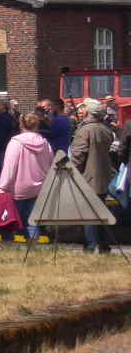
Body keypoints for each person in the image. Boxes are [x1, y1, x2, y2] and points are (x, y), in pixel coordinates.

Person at [0, 112, 53, 244]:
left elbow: (9, 167)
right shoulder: (45, 143)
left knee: (9, 220)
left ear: (21, 124)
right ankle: (32, 248)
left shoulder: (15, 143)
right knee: (32, 221)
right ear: (37, 125)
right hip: (38, 188)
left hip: (17, 188)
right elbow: (50, 164)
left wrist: (3, 188)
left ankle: (8, 248)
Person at [72, 98, 115, 253]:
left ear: (89, 112)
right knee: (101, 212)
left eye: (83, 108)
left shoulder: (85, 130)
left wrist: (71, 172)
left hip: (88, 177)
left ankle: (90, 246)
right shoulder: (105, 129)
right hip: (103, 177)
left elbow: (78, 156)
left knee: (89, 213)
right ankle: (103, 245)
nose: (80, 111)